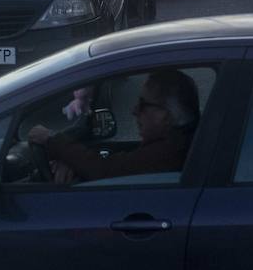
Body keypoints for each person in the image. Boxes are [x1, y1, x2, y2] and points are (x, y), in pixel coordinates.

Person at [27, 69, 200, 184]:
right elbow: (115, 166)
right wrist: (71, 161)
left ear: (166, 116)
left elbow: (104, 170)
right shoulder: (180, 142)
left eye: (143, 105)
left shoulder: (167, 152)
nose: (134, 111)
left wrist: (52, 140)